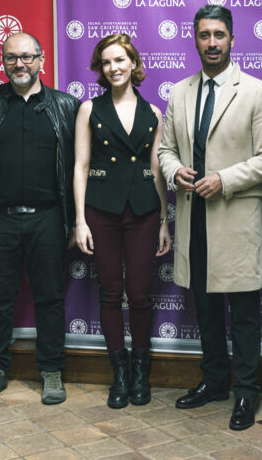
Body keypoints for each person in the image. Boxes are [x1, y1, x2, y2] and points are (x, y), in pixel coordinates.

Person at [158, 4, 262, 431]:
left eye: (219, 35)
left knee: (243, 313)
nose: (212, 43)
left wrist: (224, 179)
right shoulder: (179, 91)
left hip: (234, 217)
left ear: (232, 39)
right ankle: (214, 381)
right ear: (195, 40)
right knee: (206, 308)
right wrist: (174, 170)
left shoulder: (257, 91)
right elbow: (165, 150)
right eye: (204, 35)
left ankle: (246, 391)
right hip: (193, 217)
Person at [0, 32, 80, 405]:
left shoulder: (66, 105)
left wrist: (74, 220)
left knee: (50, 298)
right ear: (3, 62)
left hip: (49, 219)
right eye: (12, 57)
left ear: (41, 59)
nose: (20, 64)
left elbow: (78, 168)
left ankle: (51, 370)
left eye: (27, 57)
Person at [73, 34, 171, 409]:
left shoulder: (154, 113)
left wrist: (163, 221)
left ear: (133, 63)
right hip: (101, 211)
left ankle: (140, 372)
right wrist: (80, 221)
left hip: (143, 212)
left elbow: (156, 170)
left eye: (119, 60)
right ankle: (120, 374)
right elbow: (81, 166)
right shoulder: (89, 109)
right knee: (111, 293)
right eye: (106, 62)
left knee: (140, 294)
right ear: (101, 69)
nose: (113, 68)